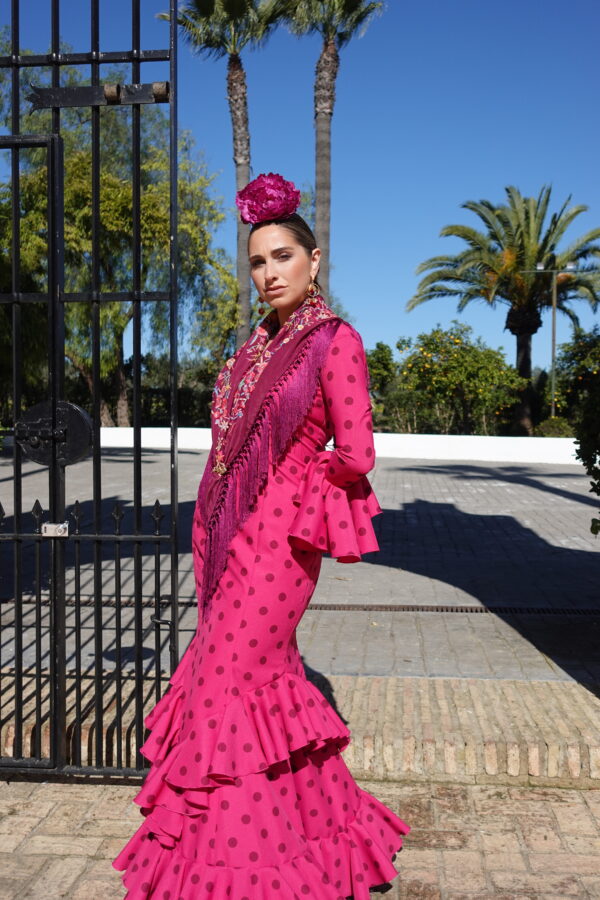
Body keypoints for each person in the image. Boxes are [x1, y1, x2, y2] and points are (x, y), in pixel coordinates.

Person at [112, 173, 409, 898]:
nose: (269, 272)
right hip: (222, 532)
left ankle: (237, 869)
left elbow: (358, 453)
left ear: (314, 262)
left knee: (227, 687)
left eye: (282, 257)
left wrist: (290, 493)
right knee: (251, 686)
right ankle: (321, 840)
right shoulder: (252, 347)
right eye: (257, 262)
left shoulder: (334, 341)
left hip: (278, 545)